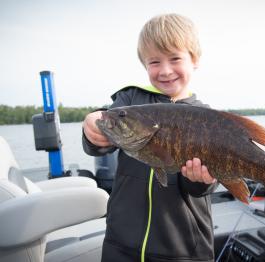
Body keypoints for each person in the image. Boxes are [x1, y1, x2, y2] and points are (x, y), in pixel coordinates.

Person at [82, 13, 218, 262]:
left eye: (175, 58)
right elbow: (100, 139)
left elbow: (201, 188)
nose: (165, 71)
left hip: (183, 250)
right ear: (144, 64)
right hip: (120, 244)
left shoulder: (207, 117)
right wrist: (91, 127)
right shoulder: (130, 100)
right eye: (154, 62)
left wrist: (202, 180)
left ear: (194, 60)